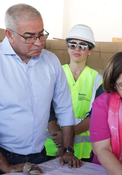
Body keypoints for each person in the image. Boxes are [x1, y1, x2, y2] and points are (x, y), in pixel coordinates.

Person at [0, 4, 82, 175]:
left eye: (41, 34)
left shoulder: (51, 61)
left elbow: (65, 108)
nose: (39, 42)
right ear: (9, 34)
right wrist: (6, 167)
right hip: (1, 158)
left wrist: (67, 150)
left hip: (40, 156)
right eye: (29, 37)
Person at [44, 24, 103, 161]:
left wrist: (66, 136)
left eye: (82, 46)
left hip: (82, 150)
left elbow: (95, 115)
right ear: (68, 48)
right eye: (72, 44)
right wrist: (58, 137)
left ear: (90, 50)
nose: (77, 49)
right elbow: (46, 107)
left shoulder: (98, 80)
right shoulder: (55, 74)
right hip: (52, 146)